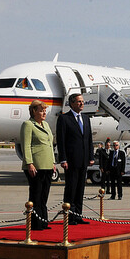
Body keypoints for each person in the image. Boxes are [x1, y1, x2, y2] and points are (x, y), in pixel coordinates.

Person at [56, 93, 94, 225]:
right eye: (79, 102)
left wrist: (91, 156)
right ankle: (69, 216)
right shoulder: (64, 118)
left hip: (83, 160)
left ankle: (78, 215)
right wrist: (63, 159)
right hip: (71, 160)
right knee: (71, 188)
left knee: (80, 189)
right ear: (72, 103)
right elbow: (61, 141)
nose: (82, 104)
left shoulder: (86, 118)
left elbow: (89, 139)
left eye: (82, 101)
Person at [20, 100, 56, 230]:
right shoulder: (28, 124)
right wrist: (29, 163)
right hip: (36, 165)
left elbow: (50, 145)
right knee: (36, 194)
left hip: (47, 165)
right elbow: (26, 145)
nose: (44, 113)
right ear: (34, 111)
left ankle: (43, 221)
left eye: (45, 110)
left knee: (44, 194)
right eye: (41, 110)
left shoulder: (45, 125)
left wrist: (53, 162)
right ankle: (35, 223)